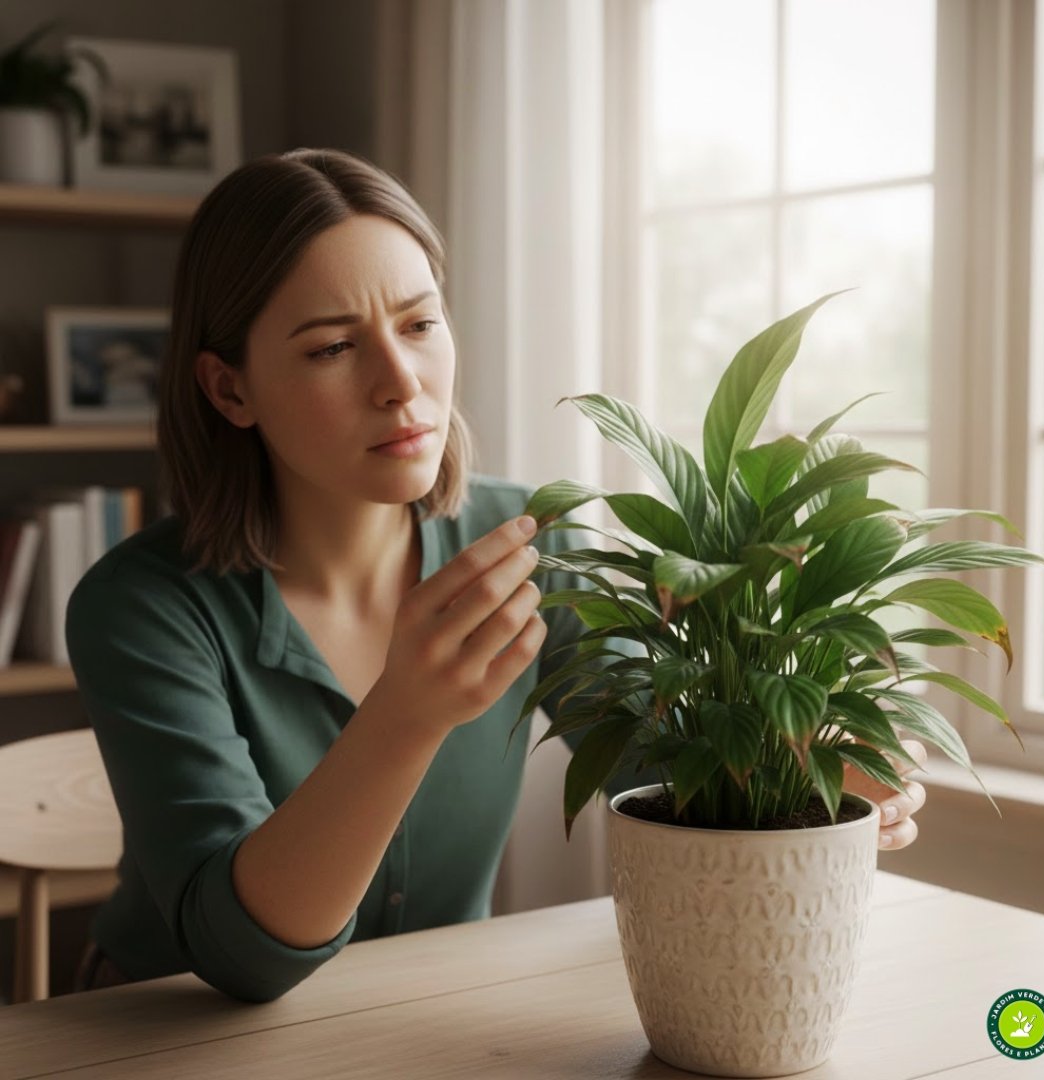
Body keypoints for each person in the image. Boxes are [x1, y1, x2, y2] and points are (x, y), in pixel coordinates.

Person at [65, 147, 926, 1003]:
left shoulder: (527, 549)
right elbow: (244, 959)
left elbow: (662, 771)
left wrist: (811, 768)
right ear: (229, 390)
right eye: (332, 347)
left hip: (427, 1028)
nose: (401, 385)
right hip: (159, 1041)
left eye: (419, 324)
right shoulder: (140, 608)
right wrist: (404, 716)